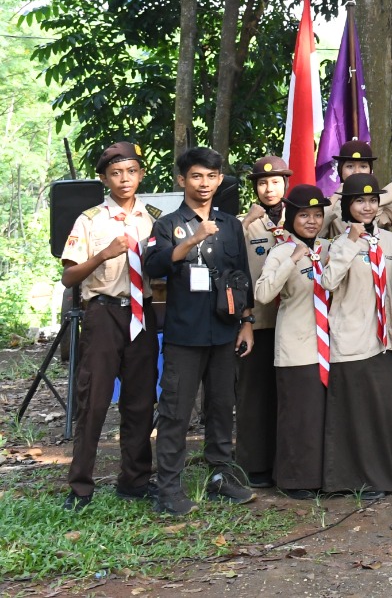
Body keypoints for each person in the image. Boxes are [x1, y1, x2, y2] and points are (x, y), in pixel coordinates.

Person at [145, 146, 256, 515]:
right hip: (184, 334)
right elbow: (155, 265)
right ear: (182, 180)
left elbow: (242, 276)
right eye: (196, 176)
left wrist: (247, 322)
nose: (204, 183)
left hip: (225, 331)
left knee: (223, 406)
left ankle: (220, 477)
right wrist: (192, 239)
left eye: (211, 176)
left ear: (220, 179)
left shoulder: (230, 224)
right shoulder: (166, 223)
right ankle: (168, 489)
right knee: (176, 411)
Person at [60, 141, 159, 510]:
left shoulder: (154, 217)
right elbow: (69, 276)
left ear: (141, 174)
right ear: (104, 179)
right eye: (116, 173)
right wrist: (103, 254)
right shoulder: (90, 220)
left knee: (140, 399)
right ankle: (81, 486)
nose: (124, 179)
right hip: (103, 313)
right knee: (94, 398)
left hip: (143, 312)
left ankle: (134, 480)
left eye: (131, 171)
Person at [320, 172, 392, 498]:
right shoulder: (338, 243)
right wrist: (351, 242)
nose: (367, 207)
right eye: (359, 201)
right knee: (352, 413)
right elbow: (328, 281)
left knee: (380, 414)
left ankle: (381, 478)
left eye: (372, 200)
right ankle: (348, 480)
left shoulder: (390, 241)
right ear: (347, 205)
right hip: (351, 338)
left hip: (383, 339)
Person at [251, 183, 333, 499]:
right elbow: (263, 294)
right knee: (299, 415)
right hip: (297, 347)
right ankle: (295, 479)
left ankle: (325, 476)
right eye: (303, 215)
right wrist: (293, 258)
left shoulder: (330, 248)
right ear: (291, 217)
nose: (311, 221)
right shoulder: (281, 251)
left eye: (316, 215)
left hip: (330, 346)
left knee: (323, 415)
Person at [237, 154, 292, 487]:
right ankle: (254, 464)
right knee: (254, 394)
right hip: (260, 321)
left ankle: (286, 461)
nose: (269, 188)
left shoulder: (302, 216)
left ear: (286, 183)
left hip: (296, 321)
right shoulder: (246, 222)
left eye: (275, 182)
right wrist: (245, 223)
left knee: (289, 394)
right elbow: (232, 267)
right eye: (262, 182)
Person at [319, 139, 380, 239]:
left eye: (363, 166)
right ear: (340, 169)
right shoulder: (332, 204)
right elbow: (315, 232)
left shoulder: (379, 202)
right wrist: (334, 198)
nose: (356, 172)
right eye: (350, 166)